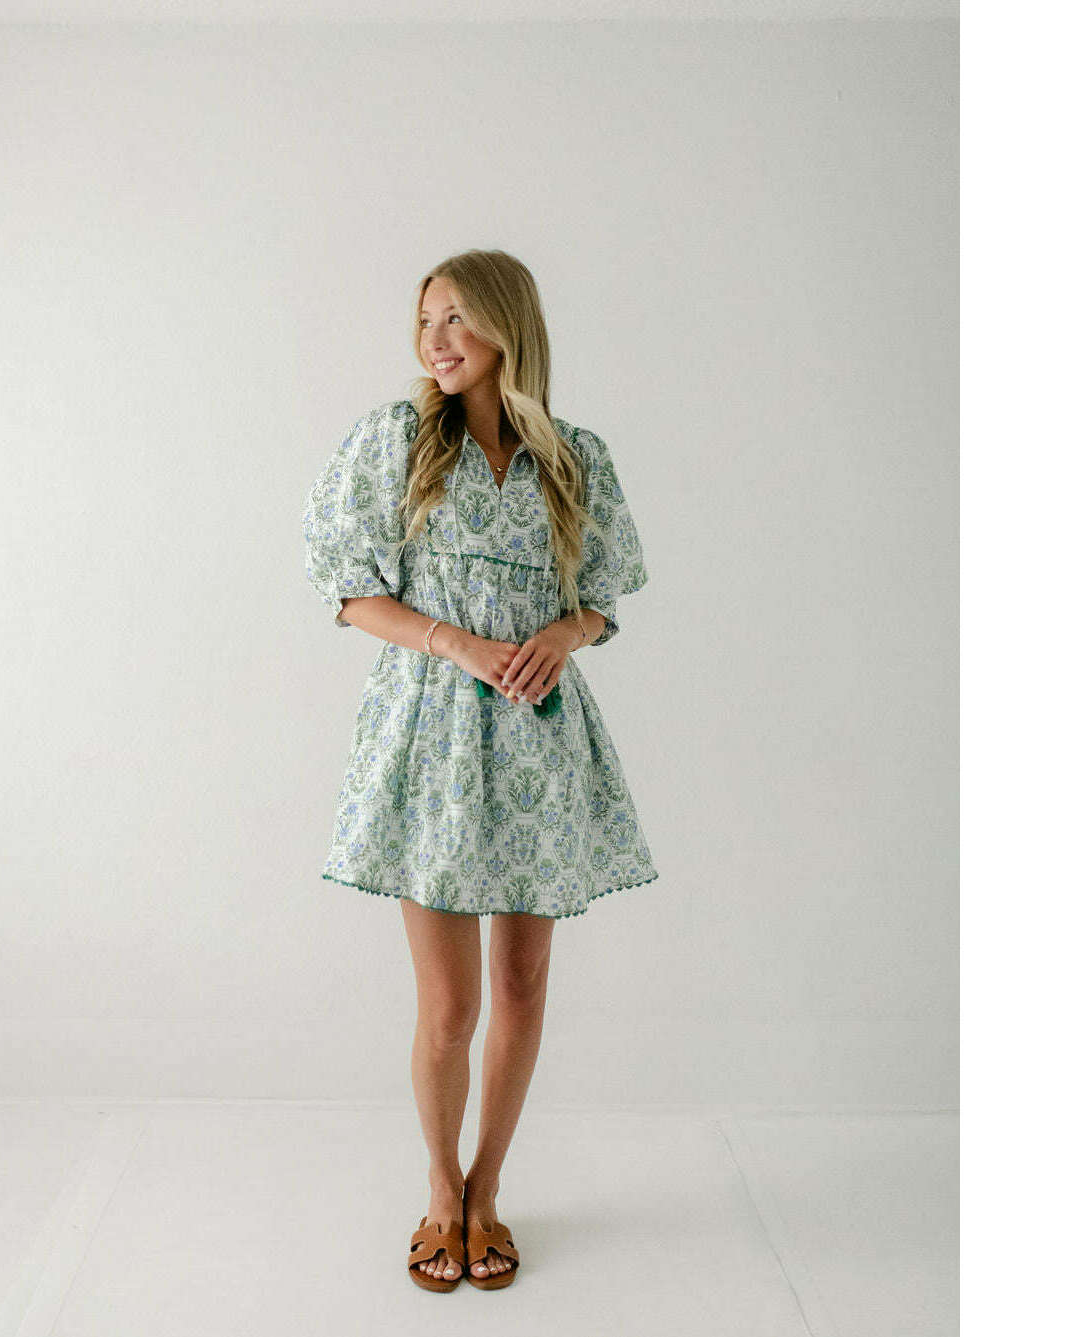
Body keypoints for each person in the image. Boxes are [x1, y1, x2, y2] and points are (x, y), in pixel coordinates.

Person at [301, 249, 658, 1292]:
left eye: (455, 317)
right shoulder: (399, 439)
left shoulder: (573, 457)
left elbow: (602, 598)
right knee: (450, 1004)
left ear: (507, 324)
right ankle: (438, 1187)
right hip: (432, 737)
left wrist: (565, 631)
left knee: (522, 983)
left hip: (538, 735)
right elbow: (346, 590)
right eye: (425, 321)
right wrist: (452, 642)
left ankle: (487, 1186)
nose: (435, 339)